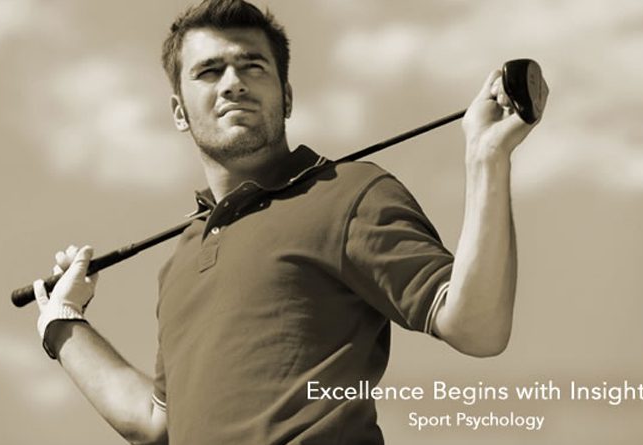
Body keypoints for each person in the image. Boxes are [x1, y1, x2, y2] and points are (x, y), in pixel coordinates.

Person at [30, 0, 549, 443]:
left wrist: (486, 158)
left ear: (288, 96)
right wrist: (62, 321)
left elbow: (477, 326)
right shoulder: (180, 262)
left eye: (252, 66)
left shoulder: (349, 194)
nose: (233, 83)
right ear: (179, 112)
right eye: (209, 71)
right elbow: (155, 421)